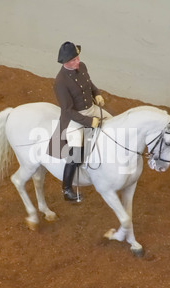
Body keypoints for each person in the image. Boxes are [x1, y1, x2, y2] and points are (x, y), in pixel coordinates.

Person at [53, 41, 112, 202]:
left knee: (113, 124)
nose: (77, 62)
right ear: (65, 63)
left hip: (91, 108)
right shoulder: (60, 82)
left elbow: (89, 83)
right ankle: (66, 189)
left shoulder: (82, 66)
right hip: (75, 117)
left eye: (77, 58)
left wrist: (97, 93)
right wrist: (88, 121)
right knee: (76, 153)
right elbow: (68, 110)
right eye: (73, 61)